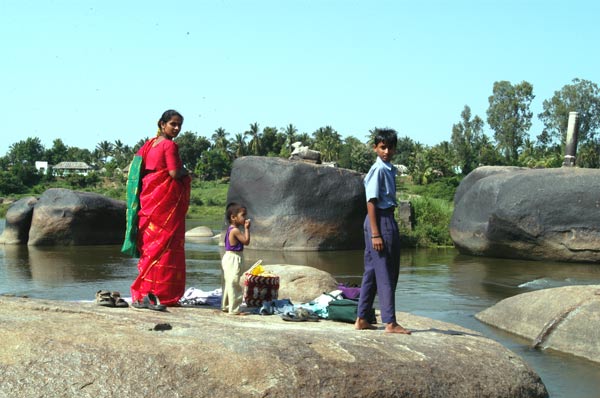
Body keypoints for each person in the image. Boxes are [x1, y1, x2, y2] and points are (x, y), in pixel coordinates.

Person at [130, 109, 191, 307]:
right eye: (173, 124)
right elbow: (173, 173)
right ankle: (162, 295)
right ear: (162, 124)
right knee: (166, 248)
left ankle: (146, 291)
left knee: (151, 247)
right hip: (164, 206)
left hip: (149, 199)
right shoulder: (169, 145)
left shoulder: (148, 146)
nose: (176, 128)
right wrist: (186, 174)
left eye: (179, 125)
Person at [355, 128, 411, 334]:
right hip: (379, 220)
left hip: (381, 219)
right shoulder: (378, 170)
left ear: (395, 149)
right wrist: (376, 233)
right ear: (375, 148)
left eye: (390, 147)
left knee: (371, 271)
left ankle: (361, 317)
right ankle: (390, 322)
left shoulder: (388, 168)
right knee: (387, 271)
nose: (386, 151)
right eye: (382, 147)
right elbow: (371, 201)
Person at [221, 202, 251, 315]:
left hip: (229, 256)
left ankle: (226, 306)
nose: (245, 218)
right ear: (233, 217)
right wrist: (247, 228)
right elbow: (246, 241)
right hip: (233, 257)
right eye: (243, 215)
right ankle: (234, 309)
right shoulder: (235, 230)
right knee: (234, 283)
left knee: (229, 282)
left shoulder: (231, 228)